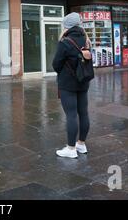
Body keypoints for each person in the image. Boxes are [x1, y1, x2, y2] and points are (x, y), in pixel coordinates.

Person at [52, 12, 92, 159]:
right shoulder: (86, 40)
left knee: (71, 115)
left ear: (67, 26)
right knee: (84, 113)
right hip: (83, 82)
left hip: (67, 84)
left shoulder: (65, 42)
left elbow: (56, 64)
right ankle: (81, 144)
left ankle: (70, 148)